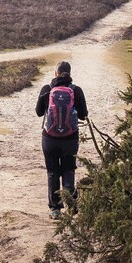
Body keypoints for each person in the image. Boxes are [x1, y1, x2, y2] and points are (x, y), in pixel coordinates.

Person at [36, 61, 88, 219]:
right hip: (70, 138)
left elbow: (39, 112)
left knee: (52, 172)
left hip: (49, 138)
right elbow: (83, 115)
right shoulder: (75, 90)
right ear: (70, 74)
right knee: (68, 169)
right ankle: (71, 205)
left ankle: (55, 209)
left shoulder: (47, 89)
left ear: (55, 73)